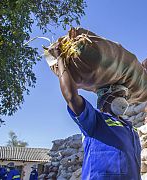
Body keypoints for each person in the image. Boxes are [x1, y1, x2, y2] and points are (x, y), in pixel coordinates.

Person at [52, 46, 141, 179]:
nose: (124, 100)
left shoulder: (130, 127)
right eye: (119, 95)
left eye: (125, 96)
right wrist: (60, 59)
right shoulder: (95, 120)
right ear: (104, 97)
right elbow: (71, 97)